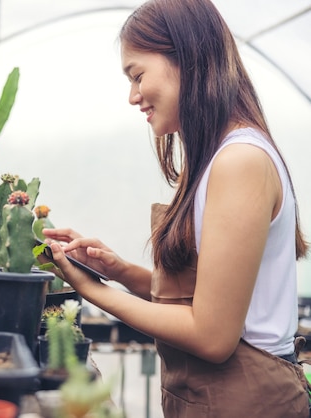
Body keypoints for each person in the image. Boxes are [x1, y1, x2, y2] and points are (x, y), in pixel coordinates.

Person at [42, 0, 310, 416]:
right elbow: (210, 298)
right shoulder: (218, 158)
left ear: (185, 58)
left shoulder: (240, 161)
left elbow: (212, 335)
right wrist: (119, 271)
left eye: (137, 75)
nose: (133, 96)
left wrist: (94, 292)